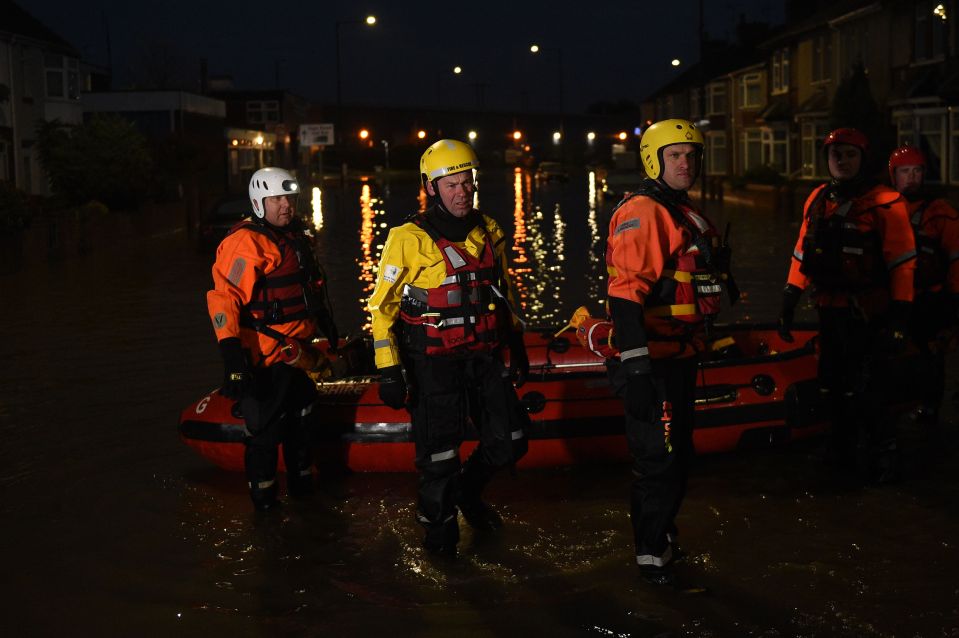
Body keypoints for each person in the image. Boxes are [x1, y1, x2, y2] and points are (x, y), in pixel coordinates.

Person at [368, 139, 530, 557]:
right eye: (452, 185)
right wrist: (389, 369)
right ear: (431, 187)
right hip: (433, 362)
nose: (462, 193)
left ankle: (466, 492)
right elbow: (381, 306)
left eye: (467, 183)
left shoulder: (489, 230)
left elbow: (501, 289)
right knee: (439, 456)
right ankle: (440, 540)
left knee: (511, 439)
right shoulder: (407, 238)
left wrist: (516, 341)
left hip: (484, 355)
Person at [606, 119, 733, 586]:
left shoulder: (681, 211)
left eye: (692, 155)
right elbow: (625, 296)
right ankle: (651, 559)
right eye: (676, 155)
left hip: (680, 355)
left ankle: (662, 542)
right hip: (653, 361)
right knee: (658, 463)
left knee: (678, 459)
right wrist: (637, 369)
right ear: (654, 160)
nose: (686, 163)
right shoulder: (646, 211)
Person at [779, 128, 915, 482]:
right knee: (832, 381)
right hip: (829, 306)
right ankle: (840, 448)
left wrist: (901, 315)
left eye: (850, 154)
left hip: (869, 310)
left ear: (863, 159)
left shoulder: (886, 202)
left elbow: (902, 262)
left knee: (870, 384)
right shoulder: (818, 198)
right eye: (835, 154)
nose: (841, 160)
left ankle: (883, 454)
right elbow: (801, 252)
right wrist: (790, 297)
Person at [207, 167, 339, 511]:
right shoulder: (246, 243)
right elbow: (225, 298)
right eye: (276, 199)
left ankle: (304, 493)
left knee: (303, 419)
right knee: (264, 432)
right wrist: (232, 358)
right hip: (266, 360)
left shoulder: (294, 236)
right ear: (258, 202)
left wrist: (325, 324)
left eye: (288, 198)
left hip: (298, 356)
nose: (285, 205)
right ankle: (264, 508)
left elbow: (310, 286)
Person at [888, 145, 959, 426]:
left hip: (929, 298)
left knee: (931, 354)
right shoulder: (883, 208)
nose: (912, 178)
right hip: (894, 298)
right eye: (905, 172)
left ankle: (929, 408)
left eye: (917, 171)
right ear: (893, 175)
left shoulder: (940, 212)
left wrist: (955, 297)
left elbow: (956, 257)